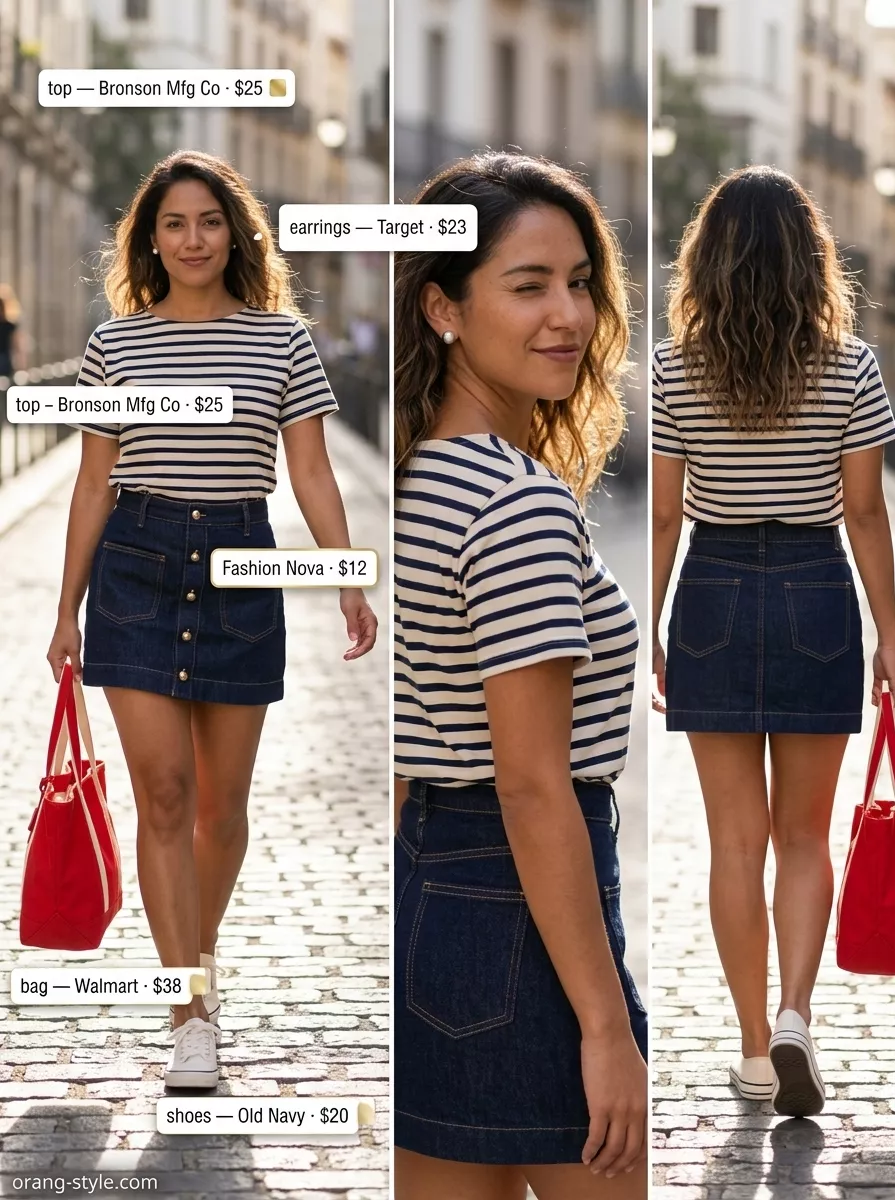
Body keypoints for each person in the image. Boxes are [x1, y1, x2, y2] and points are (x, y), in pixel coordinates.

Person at [46, 150, 378, 1089]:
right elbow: (91, 481)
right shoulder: (116, 343)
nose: (192, 239)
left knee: (222, 809)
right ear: (151, 240)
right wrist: (66, 608)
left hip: (241, 565)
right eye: (174, 224)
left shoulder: (282, 341)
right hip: (136, 571)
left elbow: (310, 468)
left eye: (208, 221)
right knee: (163, 794)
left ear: (236, 232)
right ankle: (188, 1009)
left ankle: (198, 951)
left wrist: (346, 575)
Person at [394, 152, 648, 1200]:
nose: (568, 315)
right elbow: (533, 783)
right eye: (528, 284)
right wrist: (601, 1025)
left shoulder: (414, 474)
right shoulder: (515, 504)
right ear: (443, 308)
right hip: (523, 919)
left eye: (579, 281)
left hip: (430, 901)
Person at [652, 165, 895, 1118]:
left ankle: (755, 1049)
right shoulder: (852, 364)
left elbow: (666, 515)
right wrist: (891, 632)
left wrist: (659, 628)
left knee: (732, 840)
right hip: (816, 588)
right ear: (813, 259)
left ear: (709, 258)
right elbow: (866, 511)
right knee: (804, 836)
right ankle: (797, 1014)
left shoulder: (679, 366)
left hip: (712, 588)